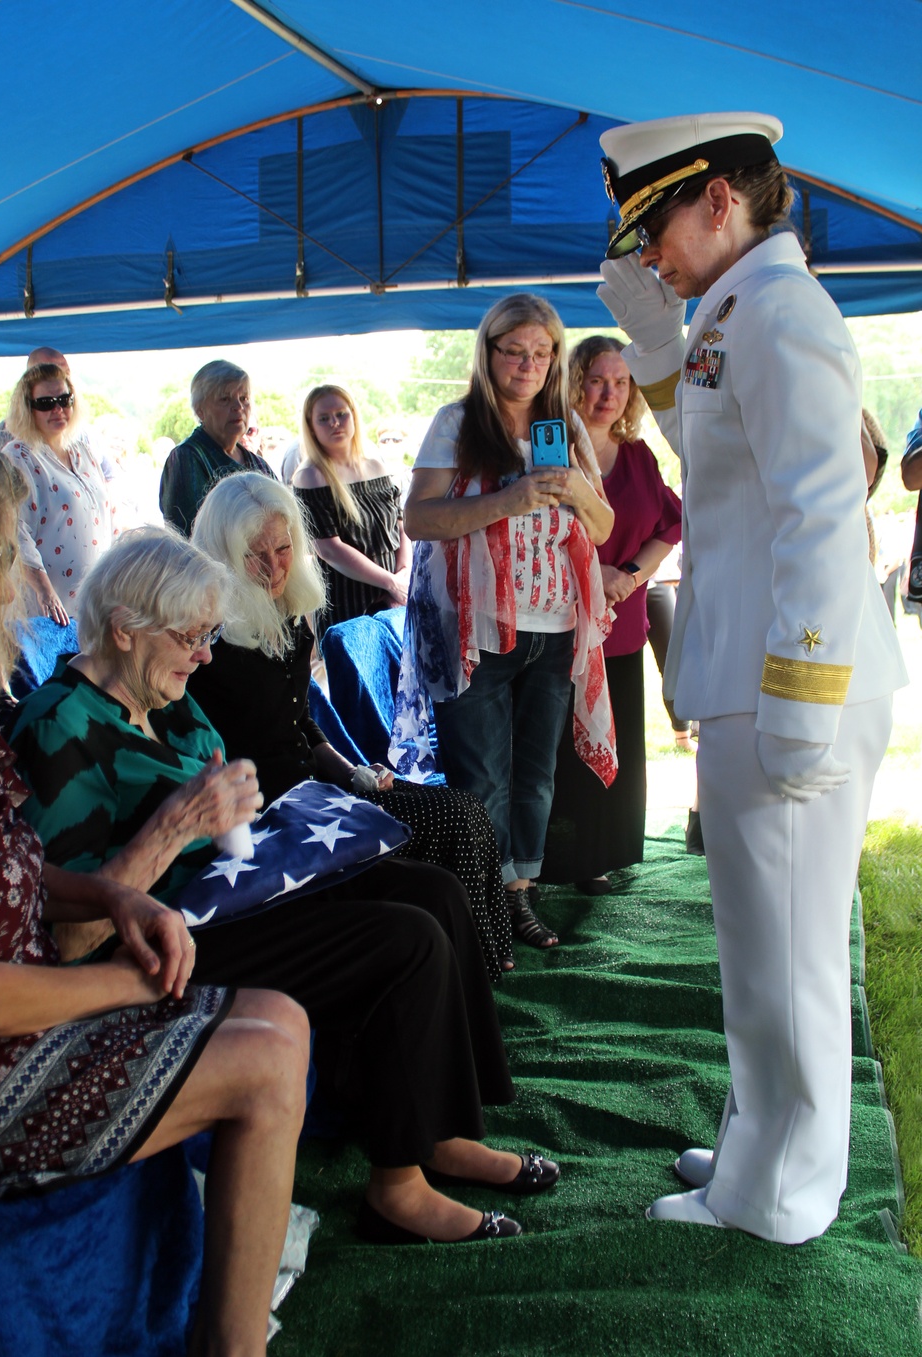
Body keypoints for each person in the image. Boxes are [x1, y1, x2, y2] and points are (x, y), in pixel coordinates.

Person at [8, 526, 557, 1245]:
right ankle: (398, 1187)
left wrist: (234, 804)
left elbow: (219, 794)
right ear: (124, 628)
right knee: (405, 938)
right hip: (166, 945)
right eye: (192, 638)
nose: (205, 655)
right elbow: (70, 932)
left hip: (235, 894)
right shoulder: (60, 727)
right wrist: (175, 828)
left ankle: (446, 1130)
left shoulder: (166, 697)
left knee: (433, 893)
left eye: (209, 635)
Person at [0, 433, 309, 1357]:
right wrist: (132, 981)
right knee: (261, 1064)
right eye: (5, 554)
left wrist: (111, 896)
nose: (24, 577)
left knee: (284, 1022)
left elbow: (6, 867)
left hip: (17, 1017)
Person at [597, 111, 906, 1242]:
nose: (649, 258)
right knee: (763, 946)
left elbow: (824, 518)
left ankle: (778, 1192)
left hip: (789, 680)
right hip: (755, 671)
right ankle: (760, 1136)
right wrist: (655, 336)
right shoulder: (741, 309)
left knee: (788, 955)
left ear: (716, 201)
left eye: (656, 228)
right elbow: (715, 451)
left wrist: (800, 700)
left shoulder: (781, 315)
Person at [189, 471, 514, 975]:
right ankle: (469, 971)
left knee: (465, 808)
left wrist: (355, 773)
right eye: (256, 554)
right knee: (450, 823)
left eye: (283, 548)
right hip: (270, 811)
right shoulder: (206, 640)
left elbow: (301, 724)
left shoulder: (290, 613)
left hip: (314, 787)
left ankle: (488, 961)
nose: (274, 567)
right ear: (223, 553)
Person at [398, 293, 616, 953]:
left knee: (535, 774)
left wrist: (573, 487)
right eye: (514, 351)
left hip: (554, 627)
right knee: (481, 776)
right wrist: (507, 499)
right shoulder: (457, 422)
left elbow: (602, 527)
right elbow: (419, 518)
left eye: (542, 352)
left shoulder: (567, 427)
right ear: (488, 353)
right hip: (477, 629)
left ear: (555, 359)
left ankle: (518, 895)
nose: (528, 364)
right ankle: (482, 907)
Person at [541, 336, 681, 894]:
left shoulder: (640, 456)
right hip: (560, 629)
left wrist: (629, 575)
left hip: (619, 630)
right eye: (598, 380)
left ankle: (605, 855)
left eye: (622, 382)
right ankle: (555, 861)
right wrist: (600, 576)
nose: (610, 394)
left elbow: (670, 524)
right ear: (575, 382)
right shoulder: (552, 453)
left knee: (616, 748)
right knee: (563, 751)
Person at [292, 384, 411, 639]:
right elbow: (329, 549)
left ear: (354, 416)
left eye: (341, 414)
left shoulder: (376, 465)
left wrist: (403, 576)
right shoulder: (309, 476)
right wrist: (390, 582)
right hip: (349, 606)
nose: (335, 423)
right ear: (311, 427)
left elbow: (401, 526)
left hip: (395, 599)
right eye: (324, 418)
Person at [1, 362, 116, 625]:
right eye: (45, 403)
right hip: (46, 611)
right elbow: (15, 530)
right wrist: (44, 591)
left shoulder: (83, 450)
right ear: (28, 408)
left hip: (93, 602)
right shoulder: (17, 456)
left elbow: (107, 514)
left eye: (64, 399)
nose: (57, 409)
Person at [159, 360, 275, 536]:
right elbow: (187, 536)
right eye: (225, 399)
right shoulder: (187, 458)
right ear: (200, 411)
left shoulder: (256, 462)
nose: (238, 407)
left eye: (244, 398)